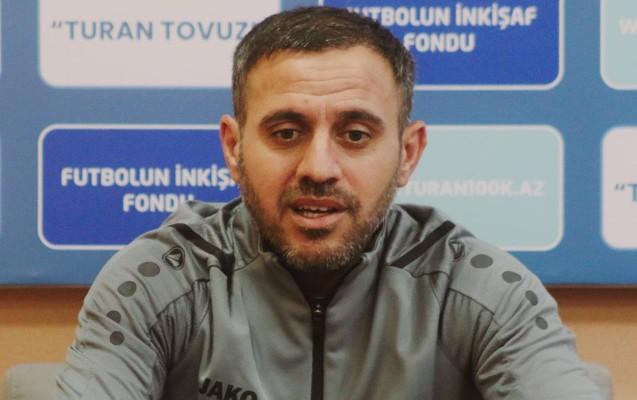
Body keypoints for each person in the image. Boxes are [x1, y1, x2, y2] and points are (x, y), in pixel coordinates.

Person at [56, 6, 603, 400]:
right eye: (286, 132)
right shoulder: (157, 282)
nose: (318, 167)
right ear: (233, 148)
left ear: (408, 153)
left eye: (356, 135)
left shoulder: (479, 289)